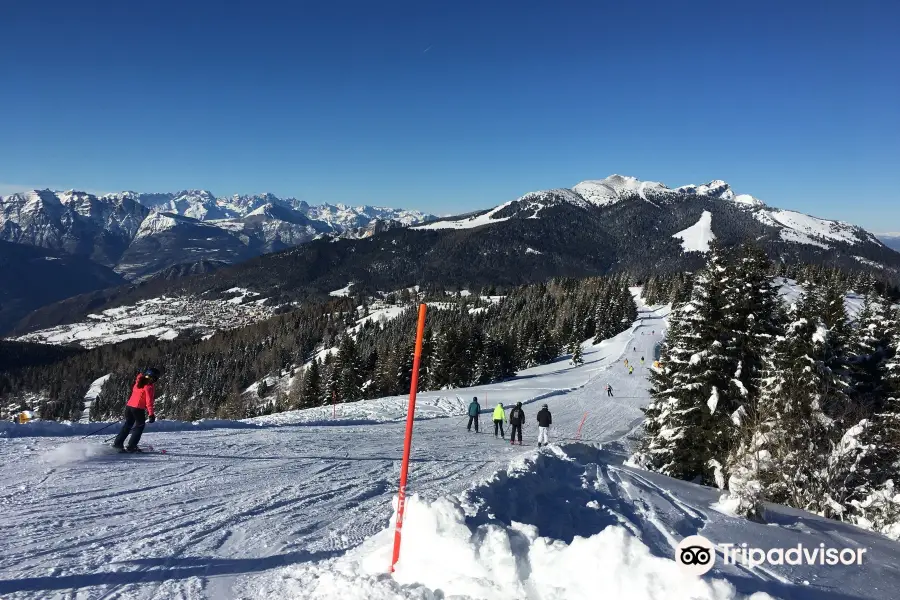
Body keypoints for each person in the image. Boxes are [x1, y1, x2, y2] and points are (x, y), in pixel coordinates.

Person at [113, 368, 160, 452]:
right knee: (139, 426)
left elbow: (140, 378)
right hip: (137, 408)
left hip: (129, 407)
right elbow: (149, 402)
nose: (155, 380)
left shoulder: (138, 382)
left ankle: (118, 444)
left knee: (128, 425)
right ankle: (132, 446)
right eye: (155, 378)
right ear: (152, 377)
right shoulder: (148, 387)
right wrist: (151, 414)